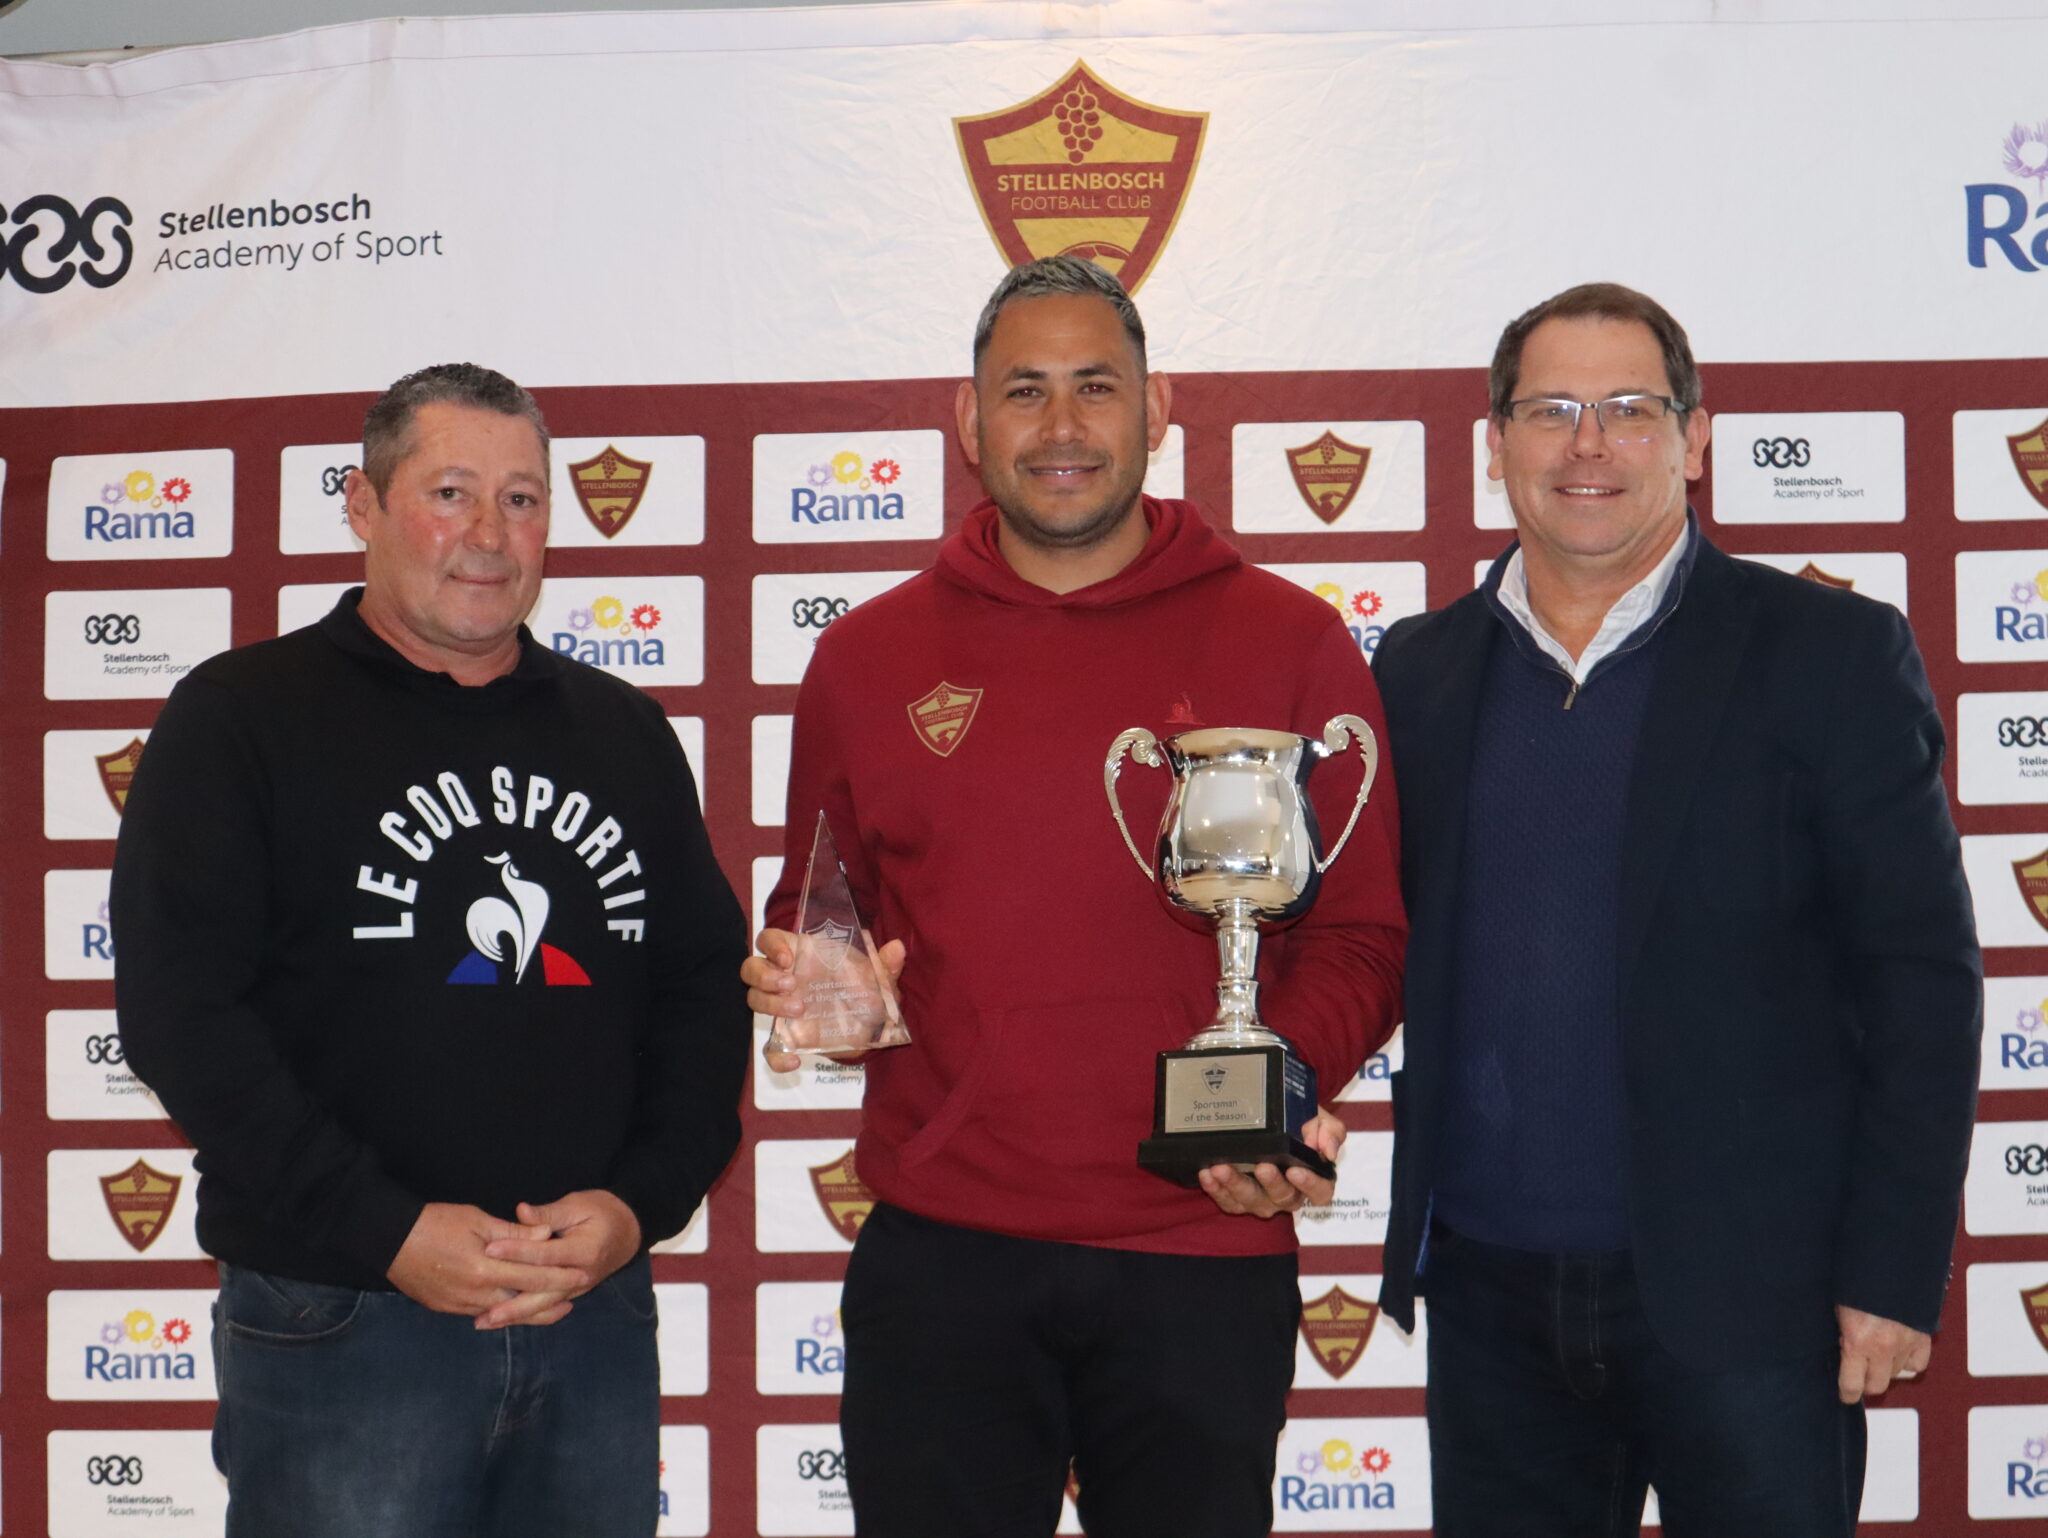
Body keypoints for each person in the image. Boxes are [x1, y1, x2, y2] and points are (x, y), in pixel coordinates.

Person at [743, 255, 1406, 1537]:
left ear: (1157, 411)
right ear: (966, 417)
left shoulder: (1288, 639)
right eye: (1024, 390)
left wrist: (1266, 1097)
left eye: (1095, 387)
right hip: (945, 1251)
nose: (1060, 426)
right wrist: (823, 989)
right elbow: (818, 919)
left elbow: (1362, 933)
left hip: (1202, 1242)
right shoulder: (865, 656)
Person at [1372, 282, 1982, 1538]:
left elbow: (1919, 978)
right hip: (1488, 1298)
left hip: (1754, 1303)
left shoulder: (1827, 653)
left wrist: (1887, 1265)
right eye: (1548, 410)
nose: (1586, 444)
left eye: (1628, 408)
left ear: (1693, 439)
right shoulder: (1417, 669)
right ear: (1493, 445)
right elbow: (1369, 935)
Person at [111, 363, 750, 1538]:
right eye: (450, 492)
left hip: (589, 1318)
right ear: (362, 504)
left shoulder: (624, 733)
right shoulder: (242, 716)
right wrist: (387, 1231)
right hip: (342, 1317)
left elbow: (703, 994)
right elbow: (180, 1014)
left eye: (520, 499)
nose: (488, 534)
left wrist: (633, 1206)